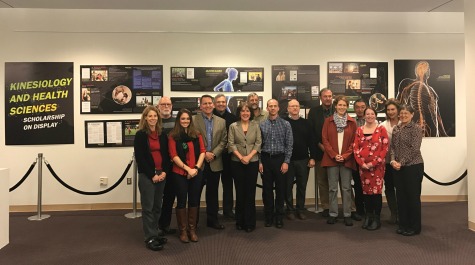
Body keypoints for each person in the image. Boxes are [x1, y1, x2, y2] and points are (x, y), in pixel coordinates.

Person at [134, 106, 170, 251]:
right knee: (148, 207)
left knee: (157, 206)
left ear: (158, 118)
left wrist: (164, 172)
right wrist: (152, 175)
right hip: (147, 176)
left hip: (161, 174)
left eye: (155, 116)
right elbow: (140, 158)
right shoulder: (140, 135)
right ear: (145, 118)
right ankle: (150, 238)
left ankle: (155, 232)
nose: (153, 118)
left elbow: (167, 155)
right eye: (150, 116)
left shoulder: (162, 134)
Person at [168, 109, 206, 243]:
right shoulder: (173, 136)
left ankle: (192, 230)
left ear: (191, 120)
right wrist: (188, 169)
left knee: (194, 200)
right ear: (178, 120)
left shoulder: (197, 134)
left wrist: (195, 168)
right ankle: (183, 231)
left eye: (188, 119)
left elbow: (202, 151)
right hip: (180, 173)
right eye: (183, 119)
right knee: (182, 201)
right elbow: (174, 155)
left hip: (196, 172)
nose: (185, 121)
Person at [193, 95, 228, 229]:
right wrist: (204, 153)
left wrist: (213, 153)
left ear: (213, 105)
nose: (207, 106)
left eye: (209, 103)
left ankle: (212, 220)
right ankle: (193, 222)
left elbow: (224, 141)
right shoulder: (193, 120)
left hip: (215, 162)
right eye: (204, 103)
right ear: (200, 105)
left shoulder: (221, 121)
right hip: (198, 163)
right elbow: (192, 140)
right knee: (195, 193)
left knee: (213, 194)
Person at [321, 95, 357, 226]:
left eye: (344, 105)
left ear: (347, 107)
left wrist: (346, 155)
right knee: (332, 189)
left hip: (346, 160)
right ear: (335, 106)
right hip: (332, 159)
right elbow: (324, 139)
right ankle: (333, 213)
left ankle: (347, 214)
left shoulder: (352, 122)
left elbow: (354, 142)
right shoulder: (328, 121)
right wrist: (333, 154)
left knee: (346, 188)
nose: (342, 107)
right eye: (339, 105)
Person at [390, 104, 424, 236]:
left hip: (413, 167)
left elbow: (414, 149)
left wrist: (401, 162)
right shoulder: (396, 128)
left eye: (406, 113)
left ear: (412, 114)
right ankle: (403, 224)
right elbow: (392, 147)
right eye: (402, 113)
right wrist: (393, 160)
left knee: (412, 197)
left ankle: (414, 227)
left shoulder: (416, 128)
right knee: (401, 197)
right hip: (397, 167)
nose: (403, 115)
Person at [353, 107, 389, 230]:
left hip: (377, 167)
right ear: (364, 116)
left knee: (375, 193)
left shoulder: (381, 129)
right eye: (367, 114)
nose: (369, 116)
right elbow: (355, 148)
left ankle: (376, 218)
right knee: (366, 193)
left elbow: (385, 148)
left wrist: (374, 163)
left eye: (372, 114)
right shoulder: (359, 130)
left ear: (375, 115)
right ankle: (368, 216)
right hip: (363, 168)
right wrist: (361, 163)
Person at [259, 99, 293, 228]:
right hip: (266, 159)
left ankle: (279, 216)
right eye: (270, 106)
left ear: (278, 108)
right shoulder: (261, 125)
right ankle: (268, 216)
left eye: (275, 106)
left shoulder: (286, 124)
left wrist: (286, 162)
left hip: (280, 160)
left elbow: (289, 145)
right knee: (267, 190)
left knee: (280, 190)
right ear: (267, 108)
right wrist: (260, 162)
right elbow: (258, 145)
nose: (272, 108)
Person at [228, 103, 262, 232]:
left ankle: (250, 222)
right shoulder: (233, 126)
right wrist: (241, 157)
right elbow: (231, 144)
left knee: (250, 192)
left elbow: (258, 143)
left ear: (251, 113)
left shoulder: (256, 125)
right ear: (239, 113)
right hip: (237, 162)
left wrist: (249, 157)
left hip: (252, 162)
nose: (245, 113)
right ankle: (239, 221)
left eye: (247, 111)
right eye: (243, 111)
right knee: (240, 191)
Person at [284, 99, 317, 220]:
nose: (294, 108)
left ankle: (300, 209)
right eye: (292, 106)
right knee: (287, 187)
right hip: (288, 161)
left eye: (296, 106)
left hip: (303, 159)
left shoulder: (307, 123)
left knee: (302, 186)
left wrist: (312, 157)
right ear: (288, 109)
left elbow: (311, 142)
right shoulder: (284, 123)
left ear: (299, 108)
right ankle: (289, 210)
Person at [396, 61, 447, 137]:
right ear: (416, 71)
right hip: (413, 128)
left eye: (426, 69)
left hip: (431, 130)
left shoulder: (431, 90)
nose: (423, 71)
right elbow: (398, 104)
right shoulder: (407, 84)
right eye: (420, 68)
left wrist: (443, 133)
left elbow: (436, 114)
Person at [307, 88, 333, 217]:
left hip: (336, 153)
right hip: (320, 151)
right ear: (320, 98)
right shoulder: (314, 111)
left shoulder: (337, 109)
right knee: (322, 181)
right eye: (325, 96)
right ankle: (326, 207)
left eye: (330, 96)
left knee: (340, 181)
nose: (328, 98)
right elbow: (311, 132)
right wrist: (320, 145)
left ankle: (349, 208)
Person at [213, 94, 238, 220]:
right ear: (214, 103)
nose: (221, 104)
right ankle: (213, 210)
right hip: (213, 156)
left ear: (226, 103)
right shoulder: (209, 116)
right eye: (218, 102)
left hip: (228, 156)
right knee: (213, 185)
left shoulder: (233, 118)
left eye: (223, 102)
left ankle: (228, 210)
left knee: (228, 184)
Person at [156, 96, 177, 236]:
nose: (165, 106)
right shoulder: (154, 121)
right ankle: (155, 227)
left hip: (173, 165)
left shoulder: (177, 122)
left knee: (169, 197)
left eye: (168, 104)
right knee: (156, 198)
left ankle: (165, 225)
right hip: (158, 166)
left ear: (172, 106)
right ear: (158, 106)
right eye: (163, 104)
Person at [380, 99, 401, 224]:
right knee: (389, 188)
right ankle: (394, 213)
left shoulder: (404, 123)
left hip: (401, 163)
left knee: (401, 189)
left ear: (398, 110)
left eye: (393, 109)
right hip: (387, 162)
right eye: (388, 110)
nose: (391, 112)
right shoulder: (382, 125)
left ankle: (402, 212)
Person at [351, 98, 368, 220]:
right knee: (357, 184)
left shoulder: (371, 120)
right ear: (354, 108)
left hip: (369, 159)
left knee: (369, 184)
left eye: (362, 107)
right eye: (357, 107)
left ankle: (369, 208)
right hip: (355, 159)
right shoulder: (351, 122)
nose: (360, 109)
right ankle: (359, 209)